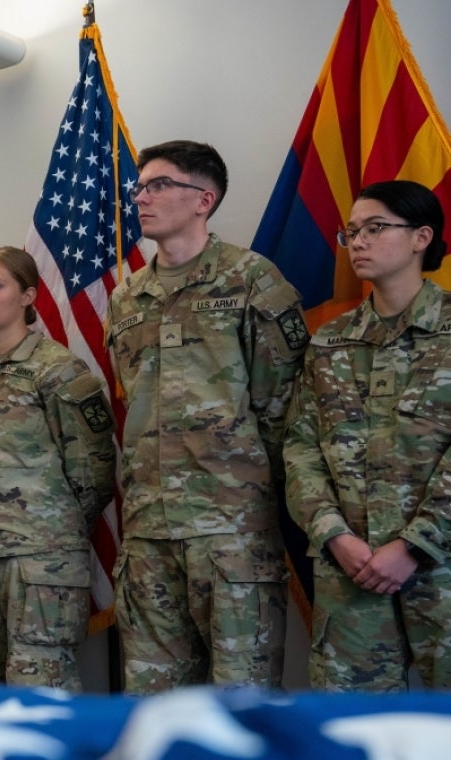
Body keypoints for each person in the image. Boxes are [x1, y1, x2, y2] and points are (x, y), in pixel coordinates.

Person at [106, 140, 309, 693]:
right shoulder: (126, 299)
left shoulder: (251, 279)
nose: (141, 198)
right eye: (140, 187)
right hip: (148, 528)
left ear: (204, 199)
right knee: (155, 708)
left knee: (240, 703)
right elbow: (132, 398)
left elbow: (283, 403)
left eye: (158, 185)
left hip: (231, 530)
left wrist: (238, 481)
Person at [285, 180, 451, 691]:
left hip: (442, 569)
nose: (357, 241)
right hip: (350, 571)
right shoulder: (331, 341)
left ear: (422, 237)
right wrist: (334, 534)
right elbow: (300, 449)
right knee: (350, 733)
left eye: (375, 228)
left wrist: (414, 543)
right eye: (351, 232)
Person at [0, 246, 115, 690]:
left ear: (28, 296)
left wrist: (48, 533)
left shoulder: (57, 370)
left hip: (39, 560)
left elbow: (93, 469)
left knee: (40, 683)